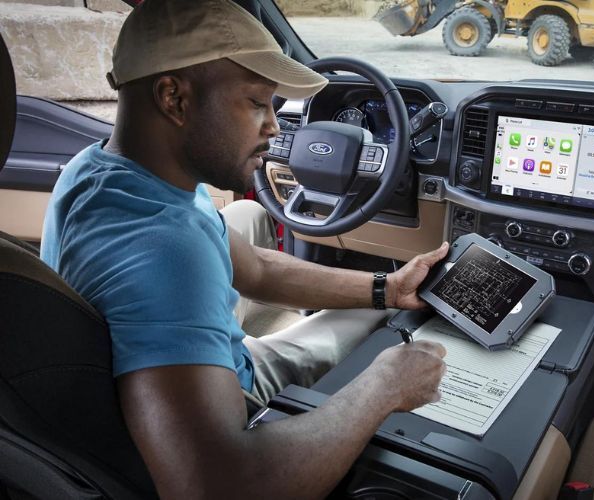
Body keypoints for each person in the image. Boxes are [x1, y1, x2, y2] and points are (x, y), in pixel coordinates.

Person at [40, 0, 448, 497]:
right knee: (382, 335)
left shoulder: (100, 169)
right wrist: (384, 387)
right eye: (257, 103)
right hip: (230, 399)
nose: (275, 127)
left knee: (256, 222)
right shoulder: (166, 252)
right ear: (174, 98)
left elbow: (252, 267)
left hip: (174, 371)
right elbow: (221, 485)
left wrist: (389, 286)